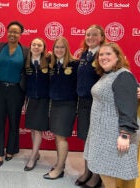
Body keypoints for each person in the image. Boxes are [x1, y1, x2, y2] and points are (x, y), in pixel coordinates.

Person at [84, 42, 139, 188]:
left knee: (108, 171)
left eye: (108, 54)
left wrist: (125, 134)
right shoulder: (107, 75)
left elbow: (128, 107)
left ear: (117, 57)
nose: (103, 57)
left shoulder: (123, 75)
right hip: (101, 132)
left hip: (113, 133)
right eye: (101, 54)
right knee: (105, 171)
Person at [0, 21, 28, 166]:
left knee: (14, 122)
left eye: (16, 32)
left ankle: (11, 150)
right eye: (10, 31)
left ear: (20, 34)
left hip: (16, 90)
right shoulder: (0, 47)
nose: (12, 34)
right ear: (7, 32)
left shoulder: (25, 50)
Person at [43, 36, 79, 179]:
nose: (59, 50)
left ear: (67, 48)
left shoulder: (74, 64)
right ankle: (60, 164)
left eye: (62, 47)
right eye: (56, 47)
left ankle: (59, 169)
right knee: (58, 137)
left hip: (68, 105)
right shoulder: (52, 64)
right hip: (55, 104)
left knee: (61, 137)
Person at [75, 24, 105, 187]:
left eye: (94, 35)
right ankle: (87, 171)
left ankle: (96, 175)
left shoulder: (103, 54)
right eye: (88, 35)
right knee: (87, 138)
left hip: (98, 103)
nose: (90, 38)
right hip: (84, 102)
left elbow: (116, 72)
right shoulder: (85, 54)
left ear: (101, 37)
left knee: (96, 140)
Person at [23, 38, 50, 171]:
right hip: (31, 99)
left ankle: (32, 157)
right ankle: (37, 153)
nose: (36, 47)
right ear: (30, 46)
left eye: (39, 45)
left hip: (43, 100)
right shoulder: (26, 62)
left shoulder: (49, 61)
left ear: (43, 48)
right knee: (32, 129)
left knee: (38, 129)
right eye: (34, 44)